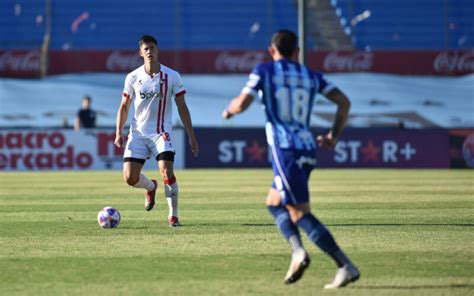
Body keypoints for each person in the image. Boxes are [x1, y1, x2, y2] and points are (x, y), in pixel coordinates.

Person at [222, 30, 360, 289]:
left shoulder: (264, 71)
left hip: (286, 150)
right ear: (297, 51)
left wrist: (229, 110)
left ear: (272, 50)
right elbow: (344, 102)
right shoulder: (311, 75)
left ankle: (345, 265)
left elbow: (241, 104)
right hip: (307, 148)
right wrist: (333, 136)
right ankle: (298, 252)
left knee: (298, 213)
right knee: (275, 202)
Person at [114, 35, 199, 227]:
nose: (149, 52)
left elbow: (182, 107)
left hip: (161, 133)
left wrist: (191, 135)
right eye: (146, 49)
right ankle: (151, 187)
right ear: (140, 53)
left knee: (167, 171)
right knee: (130, 178)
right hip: (138, 134)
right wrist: (119, 132)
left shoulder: (172, 76)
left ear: (157, 50)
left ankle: (173, 216)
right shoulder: (133, 77)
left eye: (152, 48)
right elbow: (124, 106)